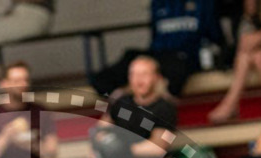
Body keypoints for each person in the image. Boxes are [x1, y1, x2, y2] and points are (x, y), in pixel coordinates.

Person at [90, 0, 223, 98]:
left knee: (175, 70)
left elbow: (215, 36)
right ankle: (123, 102)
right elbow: (154, 36)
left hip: (183, 57)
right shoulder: (158, 3)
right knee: (115, 68)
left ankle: (154, 104)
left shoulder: (204, 3)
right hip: (157, 55)